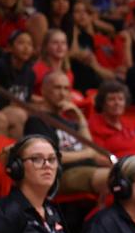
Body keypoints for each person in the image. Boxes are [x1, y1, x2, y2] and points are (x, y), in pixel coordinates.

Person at [23, 71, 111, 199]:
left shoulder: (70, 121)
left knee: (130, 173)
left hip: (87, 169)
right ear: (43, 91)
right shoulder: (37, 121)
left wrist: (81, 119)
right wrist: (87, 154)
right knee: (115, 178)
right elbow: (50, 156)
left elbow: (90, 146)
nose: (63, 93)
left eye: (66, 88)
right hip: (62, 174)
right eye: (57, 88)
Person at [88, 80, 135, 159]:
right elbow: (99, 157)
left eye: (120, 99)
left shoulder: (129, 124)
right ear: (102, 103)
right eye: (111, 99)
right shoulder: (95, 124)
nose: (117, 103)